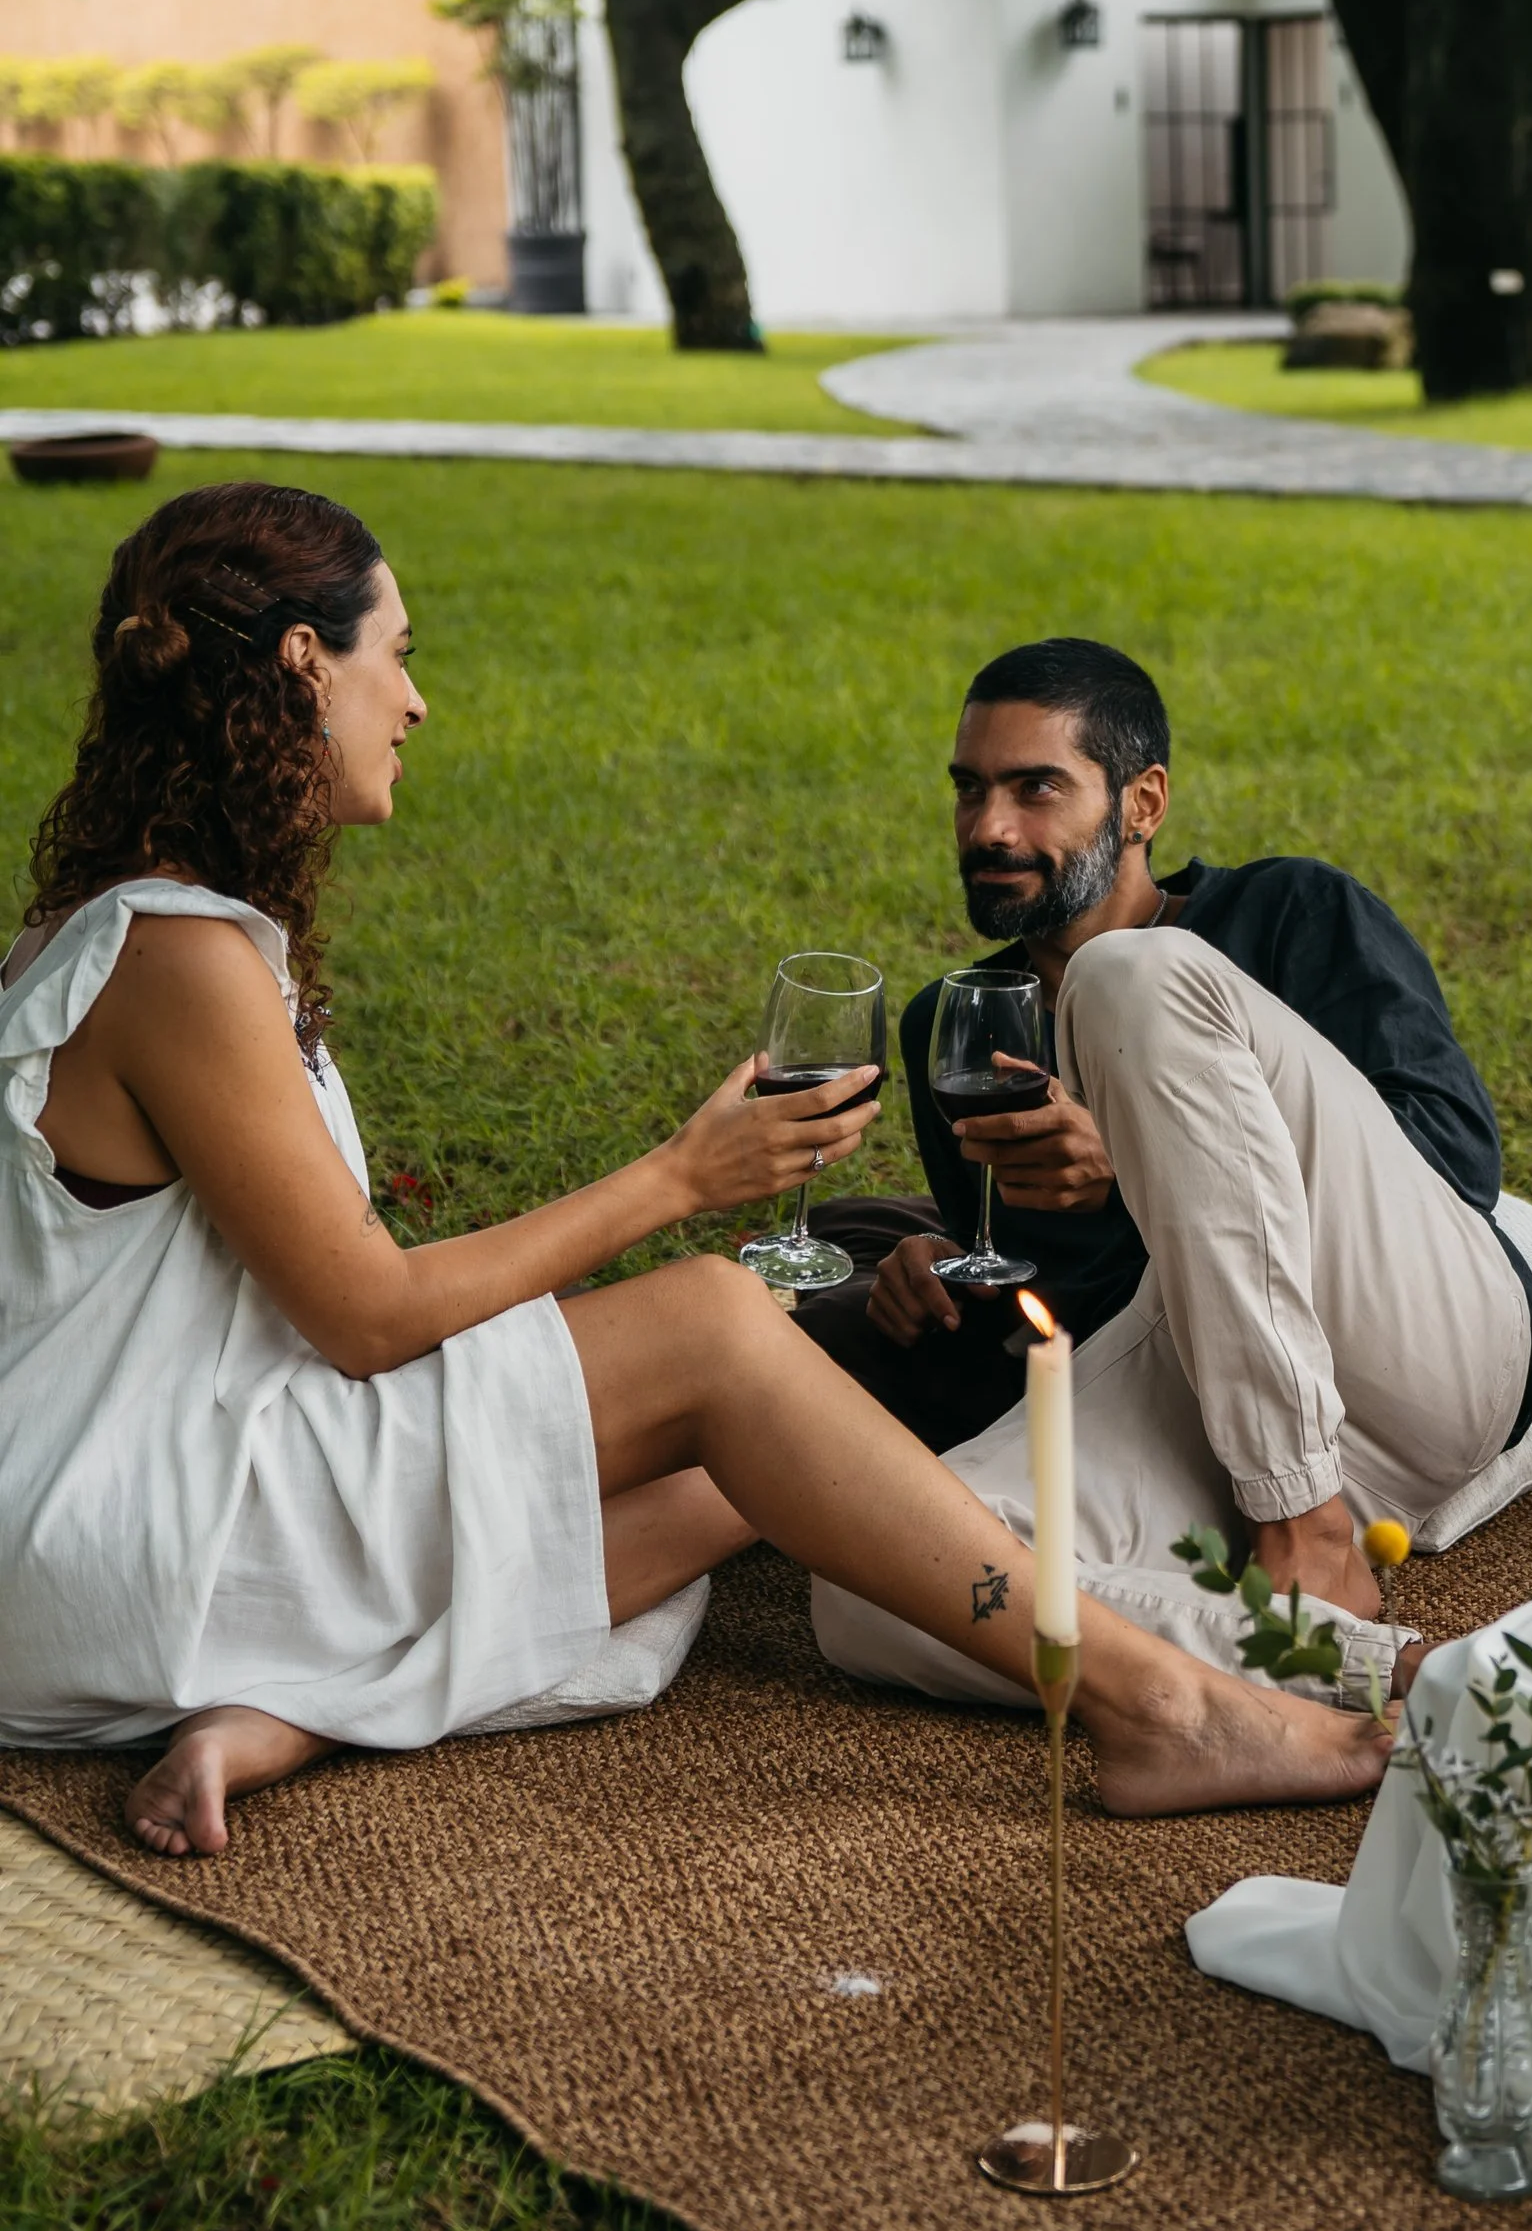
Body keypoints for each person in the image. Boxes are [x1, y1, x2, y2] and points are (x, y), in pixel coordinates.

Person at [0, 489, 1386, 1857]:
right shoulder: (175, 957)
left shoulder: (138, 931)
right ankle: (1157, 1700)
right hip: (115, 1516)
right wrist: (680, 1174)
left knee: (780, 1458)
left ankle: (300, 1706)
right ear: (307, 666)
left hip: (161, 1466)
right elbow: (362, 1316)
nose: (414, 700)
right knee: (723, 1328)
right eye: (399, 650)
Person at [799, 640, 1532, 1673]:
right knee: (886, 1587)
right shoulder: (957, 1027)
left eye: (1036, 788)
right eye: (970, 790)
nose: (990, 828)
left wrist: (1136, 1156)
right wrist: (943, 1274)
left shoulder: (1289, 914)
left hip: (1403, 1350)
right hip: (1194, 1404)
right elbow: (1063, 1311)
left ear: (1142, 804)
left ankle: (1308, 1528)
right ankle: (1360, 1667)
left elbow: (1454, 1162)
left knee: (1127, 977)